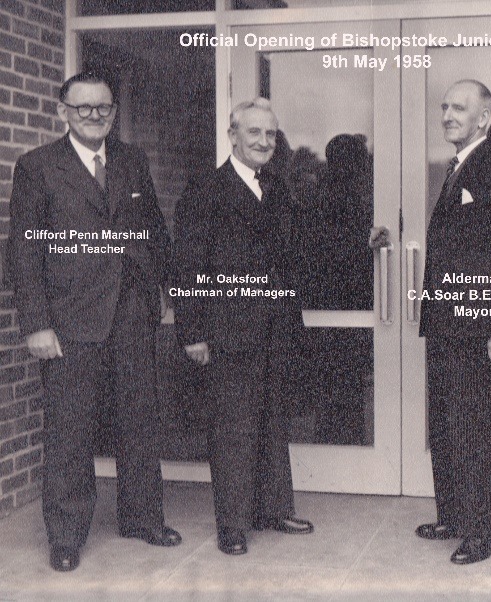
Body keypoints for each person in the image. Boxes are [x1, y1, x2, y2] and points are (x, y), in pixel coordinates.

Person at [8, 71, 180, 572]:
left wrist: (162, 290)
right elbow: (24, 252)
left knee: (140, 422)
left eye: (102, 108)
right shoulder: (37, 167)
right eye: (82, 108)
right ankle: (65, 536)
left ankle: (144, 518)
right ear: (62, 111)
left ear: (112, 111)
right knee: (70, 432)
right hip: (68, 321)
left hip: (131, 313)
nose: (93, 116)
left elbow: (151, 228)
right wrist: (36, 324)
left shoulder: (131, 160)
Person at [173, 97, 313, 557]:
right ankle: (232, 524)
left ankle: (273, 508)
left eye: (271, 134)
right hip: (228, 330)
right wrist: (192, 331)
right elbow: (189, 266)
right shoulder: (206, 190)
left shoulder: (277, 188)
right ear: (232, 136)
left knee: (273, 419)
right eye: (254, 133)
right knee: (233, 427)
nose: (263, 141)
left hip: (276, 329)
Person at [406, 79, 491, 564]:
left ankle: (483, 528)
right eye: (444, 107)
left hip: (479, 327)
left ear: (484, 117)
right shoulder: (461, 167)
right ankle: (455, 515)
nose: (448, 115)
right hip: (447, 324)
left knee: (475, 426)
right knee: (448, 425)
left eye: (459, 108)